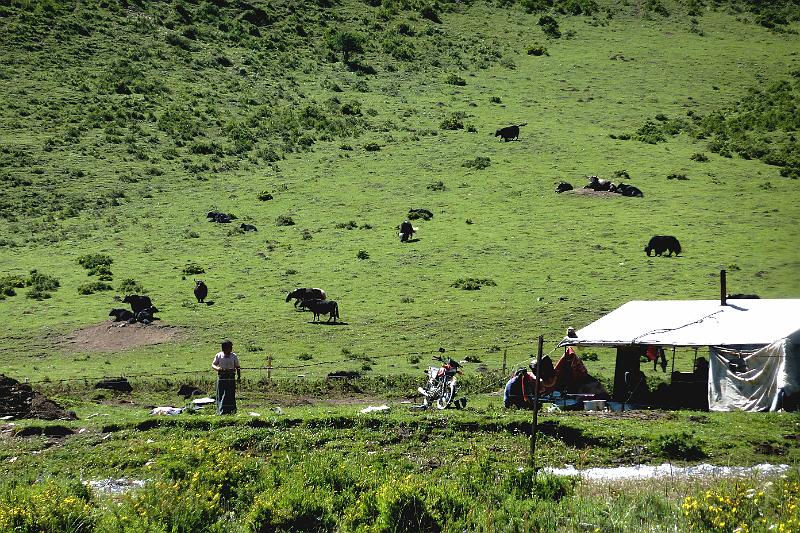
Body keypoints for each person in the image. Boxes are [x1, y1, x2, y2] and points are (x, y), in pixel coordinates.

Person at [211, 339, 240, 415]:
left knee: (230, 393)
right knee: (221, 393)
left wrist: (239, 377)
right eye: (229, 347)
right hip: (222, 377)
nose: (230, 349)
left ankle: (231, 410)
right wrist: (218, 368)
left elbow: (238, 367)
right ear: (224, 348)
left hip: (231, 377)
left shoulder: (233, 356)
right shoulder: (219, 355)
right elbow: (213, 364)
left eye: (231, 347)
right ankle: (221, 410)